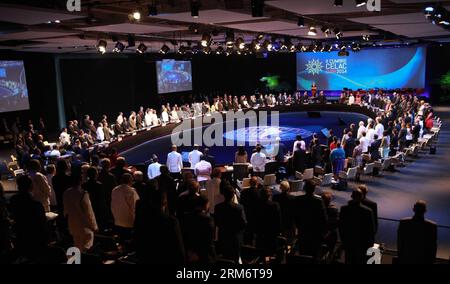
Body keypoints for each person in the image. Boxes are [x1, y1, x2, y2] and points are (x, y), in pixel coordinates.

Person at [134, 190, 185, 264]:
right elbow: (178, 247)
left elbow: (137, 242)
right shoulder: (171, 221)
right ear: (165, 202)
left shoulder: (141, 220)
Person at [8, 175, 50, 259]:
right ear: (31, 186)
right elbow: (42, 223)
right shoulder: (36, 204)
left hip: (21, 235)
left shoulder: (13, 200)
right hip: (36, 238)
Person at [63, 167, 98, 252]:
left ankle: (76, 261)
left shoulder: (66, 192)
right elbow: (89, 212)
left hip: (72, 223)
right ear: (80, 180)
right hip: (84, 225)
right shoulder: (83, 194)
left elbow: (65, 210)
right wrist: (94, 226)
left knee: (76, 245)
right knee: (86, 248)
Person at [292, 180, 327, 261]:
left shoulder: (298, 199)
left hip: (303, 231)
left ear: (304, 188)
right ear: (314, 189)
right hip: (315, 234)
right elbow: (323, 219)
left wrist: (299, 226)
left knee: (303, 255)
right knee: (314, 256)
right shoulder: (319, 201)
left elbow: (295, 216)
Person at [338, 189, 375, 264]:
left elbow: (341, 227)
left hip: (349, 242)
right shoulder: (368, 211)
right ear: (362, 197)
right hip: (362, 245)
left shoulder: (344, 209)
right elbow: (371, 230)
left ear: (351, 196)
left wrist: (343, 240)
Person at [214, 185, 247, 263]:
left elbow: (216, 222)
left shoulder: (218, 207)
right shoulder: (239, 207)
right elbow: (243, 223)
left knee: (226, 258)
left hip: (223, 235)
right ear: (233, 195)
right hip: (235, 237)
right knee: (236, 258)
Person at [180, 195, 216, 264]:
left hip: (190, 253)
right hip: (205, 255)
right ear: (205, 205)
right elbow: (210, 238)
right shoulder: (207, 219)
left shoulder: (186, 218)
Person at [111, 173, 140, 243]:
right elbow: (135, 206)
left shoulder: (115, 189)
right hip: (128, 220)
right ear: (130, 180)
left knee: (120, 239)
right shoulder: (131, 191)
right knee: (128, 240)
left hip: (117, 219)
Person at [254, 187, 281, 255]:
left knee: (261, 253)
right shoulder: (275, 205)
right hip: (271, 234)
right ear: (269, 195)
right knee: (272, 253)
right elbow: (278, 220)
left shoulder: (256, 205)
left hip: (260, 233)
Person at [82, 167, 109, 231]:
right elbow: (102, 198)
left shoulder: (84, 185)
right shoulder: (99, 185)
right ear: (96, 174)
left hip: (88, 206)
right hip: (98, 207)